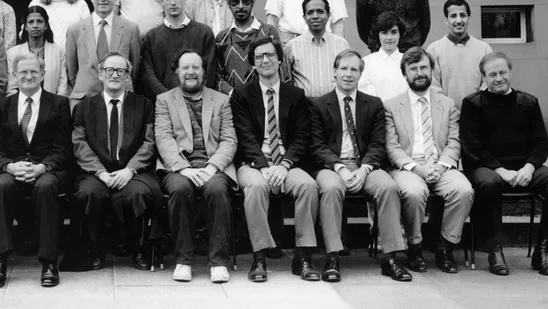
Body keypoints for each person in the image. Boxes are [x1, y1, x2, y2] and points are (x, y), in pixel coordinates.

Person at [460, 52, 548, 276]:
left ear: (510, 72)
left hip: (524, 167)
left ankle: (543, 250)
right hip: (488, 168)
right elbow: (472, 146)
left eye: (503, 72)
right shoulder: (472, 104)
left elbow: (541, 142)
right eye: (492, 74)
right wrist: (500, 170)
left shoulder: (528, 103)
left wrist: (529, 167)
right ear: (484, 77)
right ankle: (495, 250)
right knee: (487, 184)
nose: (499, 78)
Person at [310, 50, 412, 283]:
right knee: (332, 188)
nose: (348, 74)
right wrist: (340, 168)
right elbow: (317, 146)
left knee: (388, 187)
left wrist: (365, 168)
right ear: (334, 73)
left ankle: (390, 257)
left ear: (360, 74)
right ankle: (333, 256)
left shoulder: (373, 104)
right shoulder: (318, 104)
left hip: (364, 165)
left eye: (354, 69)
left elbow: (378, 144)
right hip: (332, 166)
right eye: (343, 69)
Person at [230, 36, 320, 282]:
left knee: (308, 186)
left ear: (280, 60)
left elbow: (302, 137)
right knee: (256, 187)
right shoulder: (242, 95)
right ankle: (259, 258)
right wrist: (264, 166)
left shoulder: (296, 94)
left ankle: (303, 256)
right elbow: (245, 136)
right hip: (253, 163)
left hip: (287, 163)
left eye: (270, 55)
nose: (265, 60)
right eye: (259, 57)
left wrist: (284, 165)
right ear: (252, 64)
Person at [384, 47, 474, 274]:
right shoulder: (391, 106)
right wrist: (418, 168)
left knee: (463, 190)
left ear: (431, 70)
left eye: (424, 67)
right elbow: (392, 146)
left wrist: (441, 166)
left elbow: (454, 141)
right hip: (408, 167)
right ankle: (414, 246)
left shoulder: (447, 104)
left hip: (441, 165)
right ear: (405, 74)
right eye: (413, 69)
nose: (419, 72)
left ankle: (444, 246)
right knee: (414, 193)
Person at [71, 52, 163, 271]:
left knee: (137, 193)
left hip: (134, 170)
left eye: (121, 71)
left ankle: (138, 249)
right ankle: (95, 250)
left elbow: (149, 142)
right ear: (101, 75)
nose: (114, 74)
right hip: (95, 171)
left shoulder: (144, 105)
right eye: (109, 70)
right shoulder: (84, 107)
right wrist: (100, 172)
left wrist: (130, 170)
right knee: (90, 193)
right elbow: (79, 144)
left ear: (128, 76)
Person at [0, 53, 73, 288]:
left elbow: (63, 148)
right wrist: (9, 166)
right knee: (2, 186)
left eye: (34, 71)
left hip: (47, 168)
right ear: (14, 75)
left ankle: (49, 262)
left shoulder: (59, 103)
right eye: (23, 72)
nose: (28, 76)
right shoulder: (1, 106)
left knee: (46, 187)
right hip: (13, 167)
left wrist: (42, 167)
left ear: (43, 75)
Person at [155, 50, 237, 284]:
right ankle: (183, 260)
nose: (190, 72)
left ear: (204, 71)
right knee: (180, 190)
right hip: (179, 167)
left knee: (218, 191)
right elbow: (163, 137)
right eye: (185, 68)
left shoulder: (221, 100)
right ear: (177, 73)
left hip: (214, 166)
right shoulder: (164, 100)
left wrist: (212, 167)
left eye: (195, 67)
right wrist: (183, 168)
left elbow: (229, 140)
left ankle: (219, 262)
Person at [66, 0, 142, 107]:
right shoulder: (75, 30)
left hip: (121, 100)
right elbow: (72, 70)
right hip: (85, 100)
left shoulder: (131, 29)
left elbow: (134, 69)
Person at [141, 0, 217, 99]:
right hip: (163, 105)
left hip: (198, 103)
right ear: (161, 1)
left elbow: (210, 72)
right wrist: (170, 99)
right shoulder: (151, 37)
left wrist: (193, 97)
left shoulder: (204, 33)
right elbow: (148, 75)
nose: (172, 2)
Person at [214, 0, 281, 94]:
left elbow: (281, 70)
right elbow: (217, 76)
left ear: (253, 1)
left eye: (245, 1)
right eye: (235, 2)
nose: (240, 6)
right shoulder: (222, 38)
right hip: (233, 103)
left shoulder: (269, 32)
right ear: (228, 3)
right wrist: (233, 94)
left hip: (266, 100)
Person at [426, 0, 493, 106]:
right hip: (446, 115)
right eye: (453, 16)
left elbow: (488, 81)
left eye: (462, 15)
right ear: (446, 20)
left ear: (469, 18)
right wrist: (448, 110)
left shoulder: (484, 49)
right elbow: (433, 85)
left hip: (478, 113)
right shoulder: (433, 49)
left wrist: (475, 106)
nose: (458, 20)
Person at [285, 0, 350, 97]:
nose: (315, 16)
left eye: (320, 11)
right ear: (304, 17)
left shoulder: (342, 44)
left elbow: (349, 76)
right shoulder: (291, 47)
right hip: (304, 107)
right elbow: (286, 81)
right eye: (310, 12)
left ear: (328, 15)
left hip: (335, 106)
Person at [7, 6, 68, 96]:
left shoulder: (59, 51)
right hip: (22, 106)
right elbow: (11, 88)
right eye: (31, 22)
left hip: (53, 106)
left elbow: (63, 85)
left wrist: (57, 105)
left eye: (39, 21)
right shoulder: (13, 53)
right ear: (26, 27)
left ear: (46, 25)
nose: (35, 25)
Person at [358, 12, 409, 101]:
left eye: (394, 32)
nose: (389, 37)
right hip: (376, 113)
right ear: (378, 35)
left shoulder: (409, 61)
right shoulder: (366, 62)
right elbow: (365, 95)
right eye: (384, 33)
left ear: (400, 34)